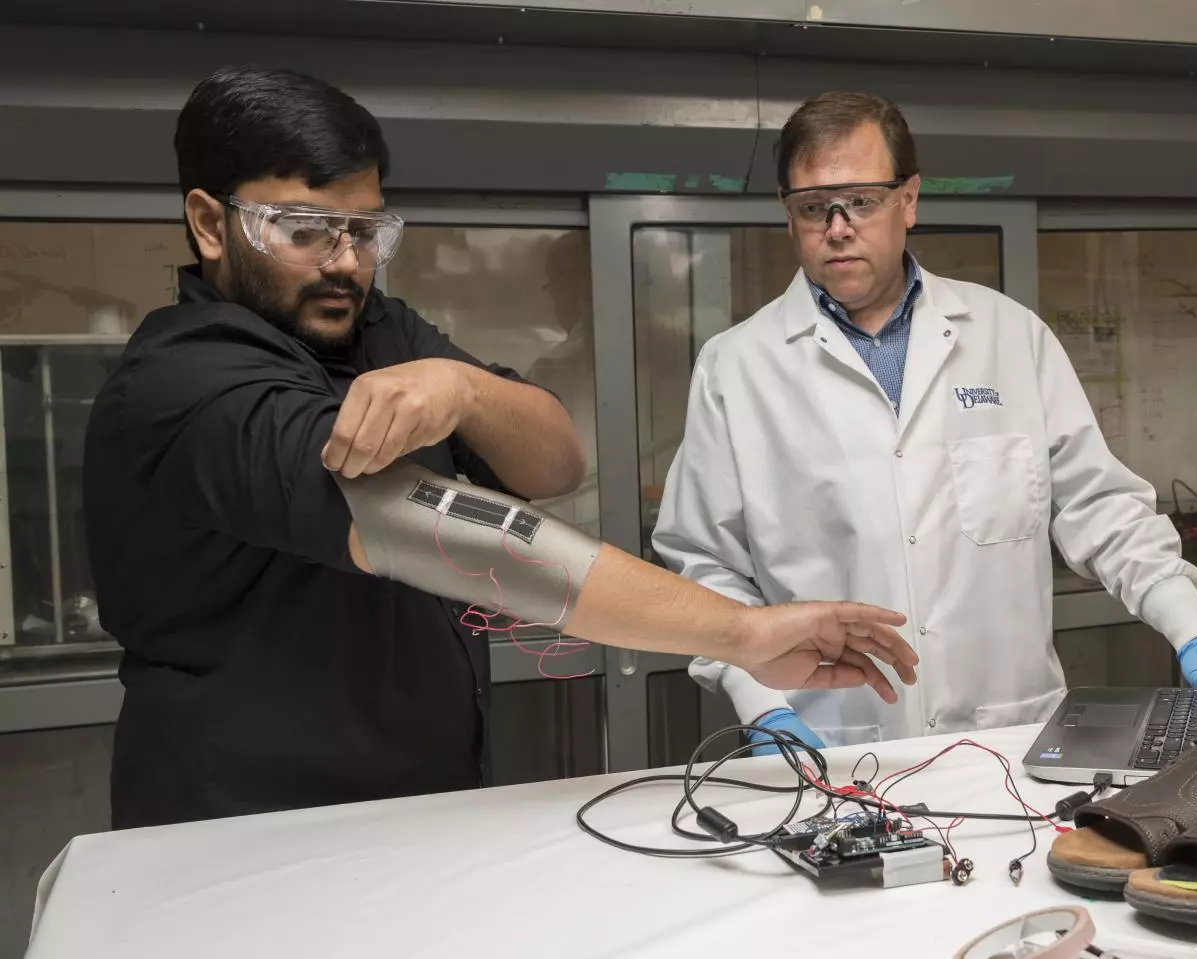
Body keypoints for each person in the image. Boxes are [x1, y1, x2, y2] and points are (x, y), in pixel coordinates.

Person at [84, 69, 917, 830]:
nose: (346, 261)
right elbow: (444, 535)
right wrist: (740, 631)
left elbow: (554, 463)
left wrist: (464, 387)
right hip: (246, 826)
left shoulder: (372, 324)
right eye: (304, 229)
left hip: (419, 805)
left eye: (366, 229)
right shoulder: (186, 380)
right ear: (209, 223)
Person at [653, 91, 1197, 754]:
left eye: (863, 199)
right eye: (814, 206)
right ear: (789, 216)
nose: (839, 225)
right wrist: (760, 701)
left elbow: (1102, 508)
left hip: (1010, 745)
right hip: (828, 747)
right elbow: (705, 561)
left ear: (909, 199)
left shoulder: (1009, 337)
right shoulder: (736, 367)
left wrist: (1194, 632)